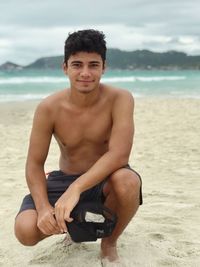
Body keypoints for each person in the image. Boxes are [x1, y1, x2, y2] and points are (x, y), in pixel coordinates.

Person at [14, 29, 142, 264]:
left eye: (93, 65)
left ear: (104, 67)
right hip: (63, 178)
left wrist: (76, 189)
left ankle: (109, 243)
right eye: (77, 65)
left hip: (104, 182)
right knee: (25, 231)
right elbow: (34, 163)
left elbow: (119, 154)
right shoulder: (49, 108)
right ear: (65, 68)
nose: (85, 73)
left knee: (128, 181)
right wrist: (43, 208)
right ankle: (76, 226)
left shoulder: (120, 99)